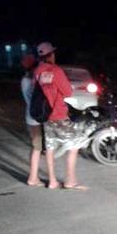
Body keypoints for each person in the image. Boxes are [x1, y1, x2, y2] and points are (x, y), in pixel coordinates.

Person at [33, 41, 88, 191]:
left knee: (50, 146)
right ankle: (70, 181)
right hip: (58, 113)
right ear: (51, 55)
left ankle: (52, 181)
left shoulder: (38, 71)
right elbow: (68, 92)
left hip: (46, 115)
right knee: (76, 142)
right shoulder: (55, 70)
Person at [20, 54, 44, 186]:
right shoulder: (31, 81)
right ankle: (33, 178)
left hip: (31, 116)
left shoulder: (25, 80)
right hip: (35, 118)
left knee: (37, 147)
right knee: (36, 147)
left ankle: (34, 176)